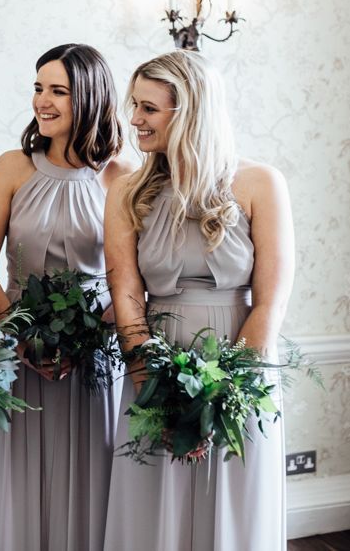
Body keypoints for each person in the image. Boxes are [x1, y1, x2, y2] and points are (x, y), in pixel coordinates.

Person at [104, 50, 291, 550]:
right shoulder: (126, 191)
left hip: (239, 369)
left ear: (187, 113)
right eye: (134, 106)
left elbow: (271, 301)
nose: (134, 119)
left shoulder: (259, 183)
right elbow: (124, 291)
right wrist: (151, 384)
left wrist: (226, 394)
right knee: (153, 507)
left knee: (231, 507)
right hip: (154, 363)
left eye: (148, 108)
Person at [0, 43, 131, 551]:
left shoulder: (119, 178)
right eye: (38, 88)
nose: (42, 100)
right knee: (23, 482)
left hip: (95, 357)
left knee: (94, 477)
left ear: (88, 98)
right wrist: (19, 335)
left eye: (58, 91)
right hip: (20, 354)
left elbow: (135, 278)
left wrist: (91, 336)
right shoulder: (12, 167)